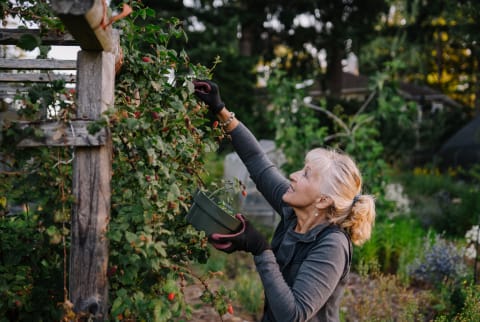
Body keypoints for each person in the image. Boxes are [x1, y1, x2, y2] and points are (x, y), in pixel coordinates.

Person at [193, 80, 376, 322]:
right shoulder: (292, 211)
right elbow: (257, 160)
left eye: (306, 174)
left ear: (322, 201)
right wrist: (220, 109)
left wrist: (260, 249)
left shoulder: (332, 246)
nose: (293, 175)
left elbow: (293, 315)